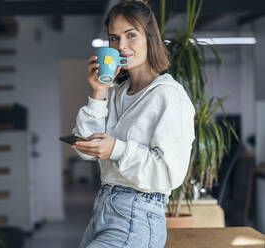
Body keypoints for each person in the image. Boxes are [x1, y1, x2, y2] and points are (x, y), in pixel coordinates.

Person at [71, 0, 196, 247]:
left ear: (150, 38)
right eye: (114, 38)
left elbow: (169, 174)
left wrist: (116, 149)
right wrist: (98, 92)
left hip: (138, 216)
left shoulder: (168, 94)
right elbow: (87, 149)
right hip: (103, 211)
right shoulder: (116, 93)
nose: (122, 46)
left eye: (131, 35)